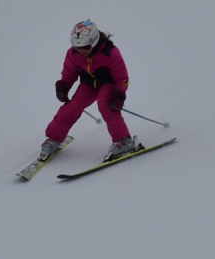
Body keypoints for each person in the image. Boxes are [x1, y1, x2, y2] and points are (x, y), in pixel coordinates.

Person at [40, 20, 142, 162]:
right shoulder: (73, 54)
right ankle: (54, 138)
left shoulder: (110, 52)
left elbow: (121, 77)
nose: (81, 51)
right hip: (88, 84)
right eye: (77, 47)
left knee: (105, 104)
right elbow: (69, 73)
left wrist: (119, 94)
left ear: (94, 42)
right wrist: (63, 85)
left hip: (108, 83)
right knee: (71, 108)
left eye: (85, 47)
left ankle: (123, 140)